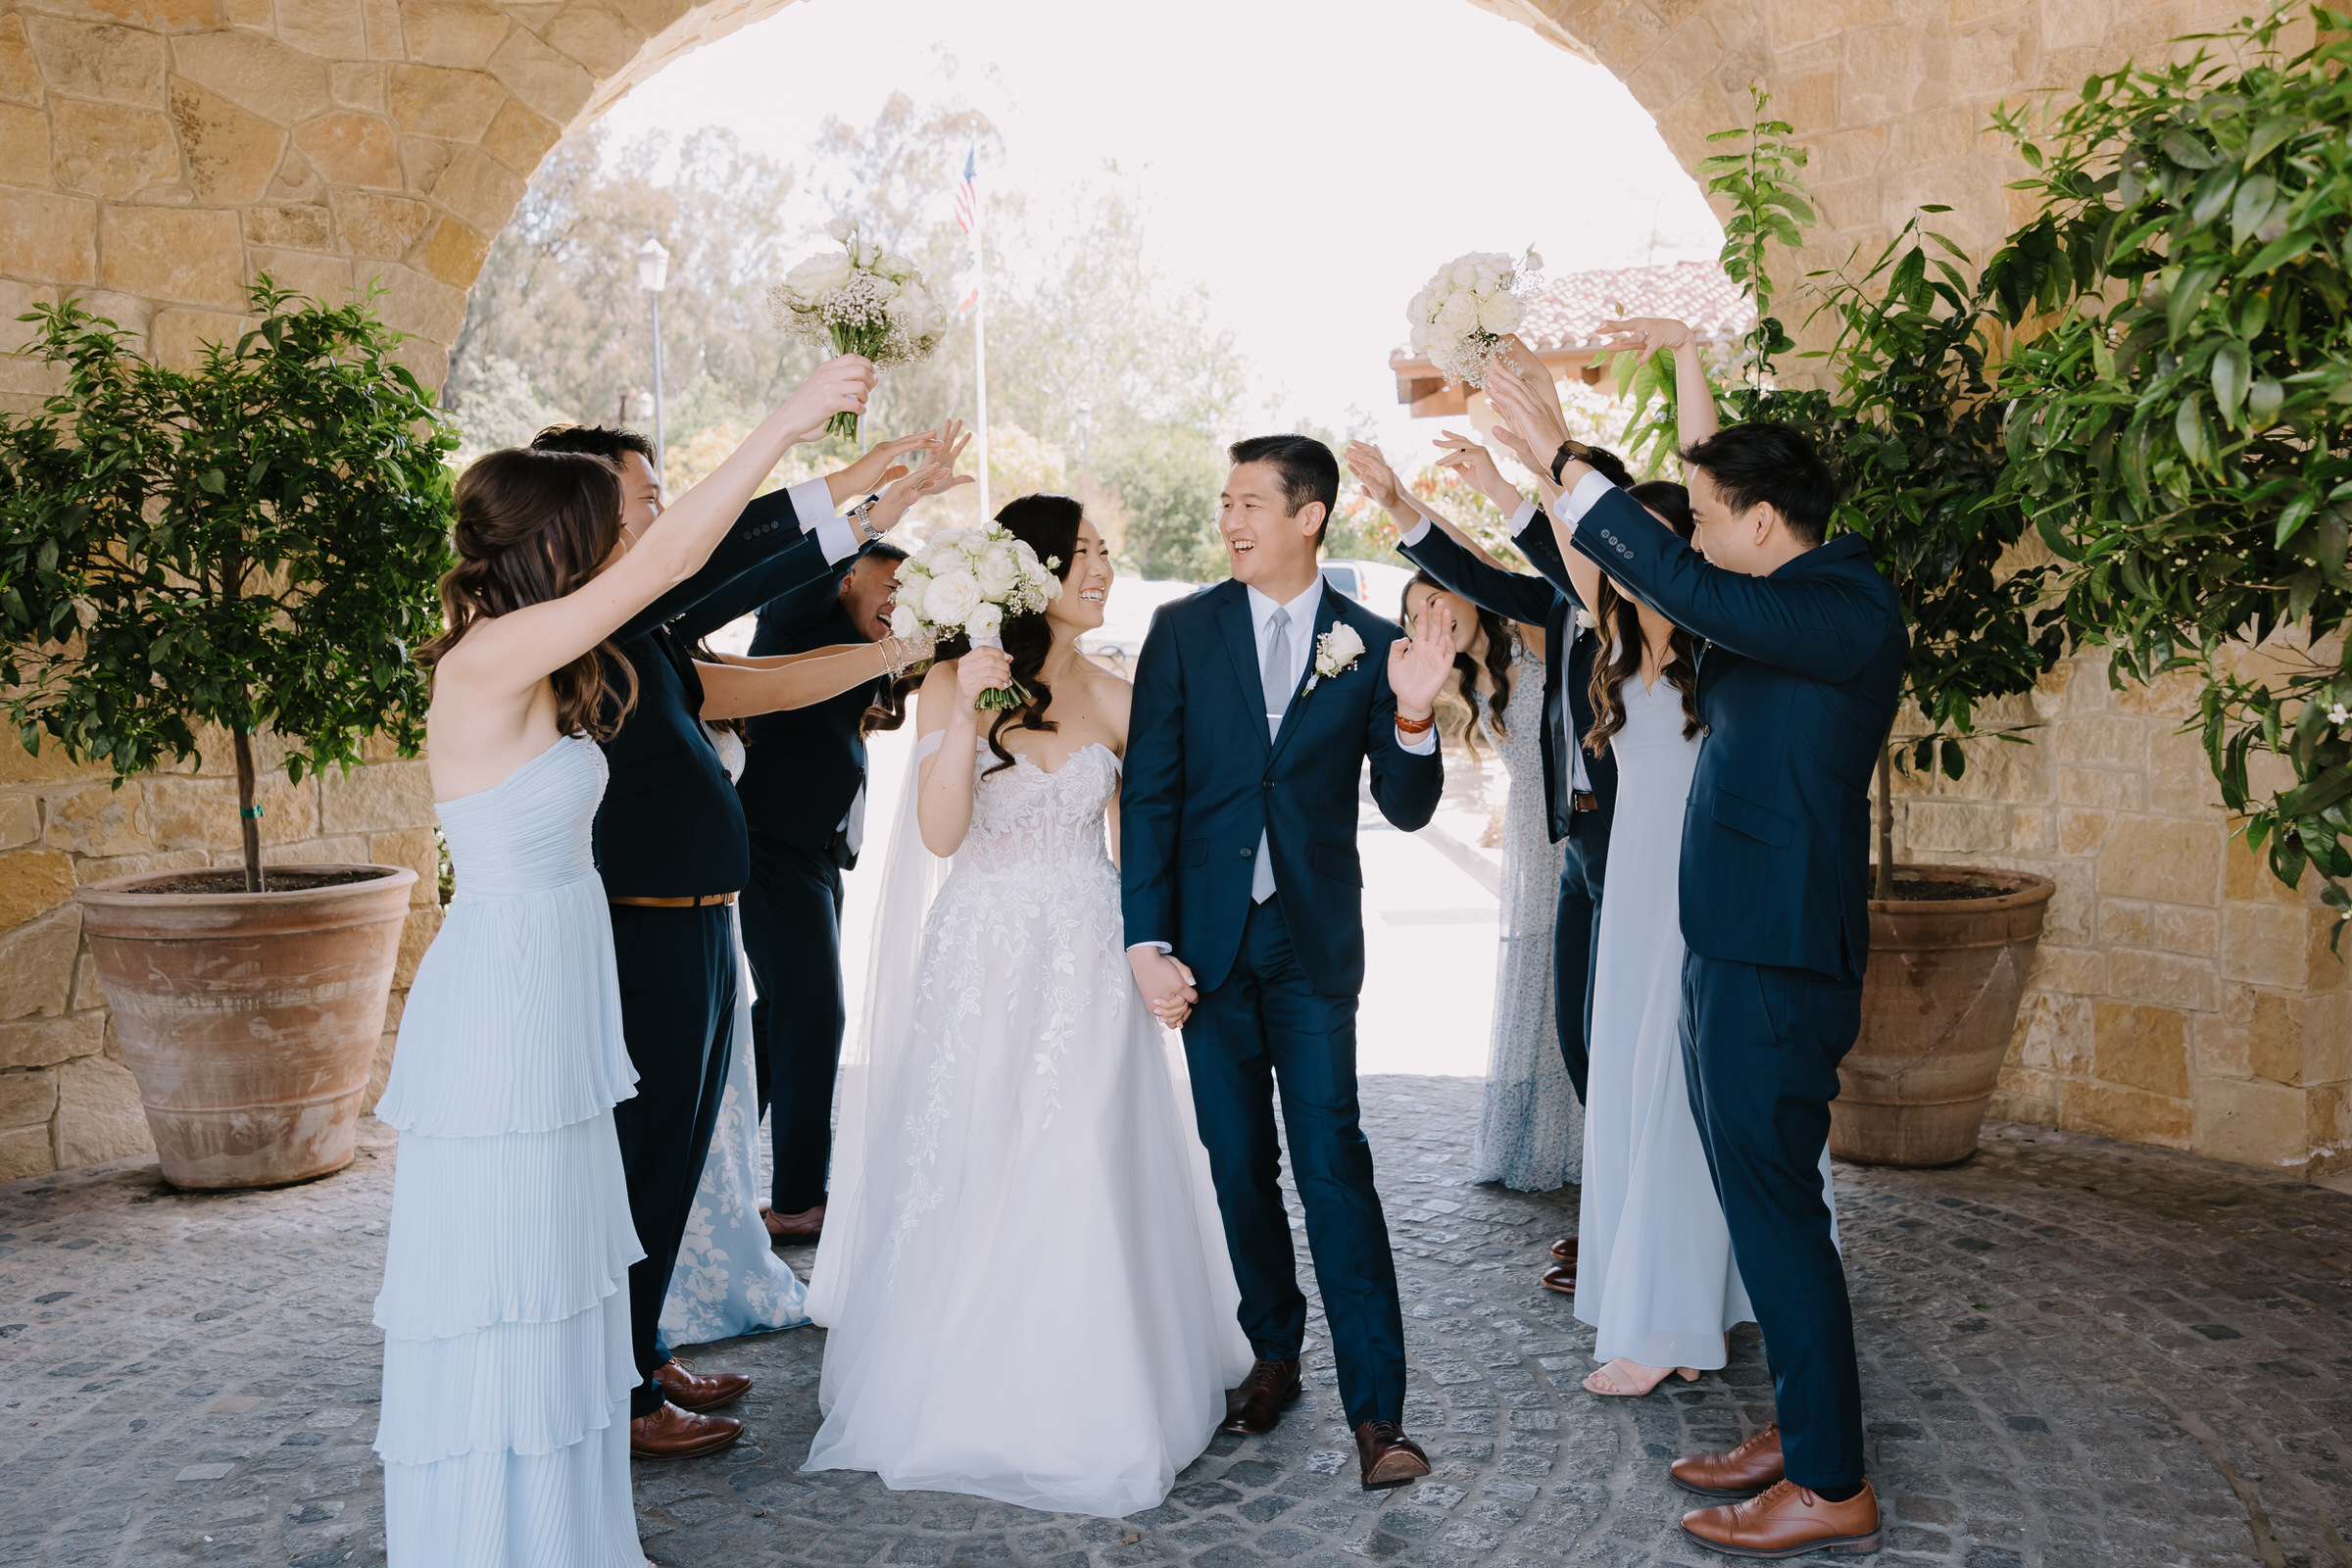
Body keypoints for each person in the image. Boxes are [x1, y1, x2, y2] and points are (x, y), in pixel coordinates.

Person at [370, 356, 871, 1567]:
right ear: (555, 544)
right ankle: (491, 1536)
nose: (624, 550)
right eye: (603, 528)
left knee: (563, 1268)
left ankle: (558, 1520)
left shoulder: (557, 662)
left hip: (561, 983)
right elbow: (670, 561)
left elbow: (680, 604)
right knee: (512, 1264)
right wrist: (785, 420)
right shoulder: (491, 659)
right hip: (505, 999)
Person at [1496, 354, 1903, 1557]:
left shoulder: (1842, 605)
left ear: (1763, 523)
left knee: (1776, 1213)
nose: (1699, 533)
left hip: (1776, 962)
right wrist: (1544, 481)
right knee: (1760, 1204)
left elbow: (1678, 576)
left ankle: (1832, 1483)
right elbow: (1655, 586)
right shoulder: (1778, 612)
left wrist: (1573, 459)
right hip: (1728, 944)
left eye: (1713, 513)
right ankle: (1803, 1424)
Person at [804, 495, 1252, 1517]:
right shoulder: (952, 685)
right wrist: (964, 711)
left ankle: (1090, 1389)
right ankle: (963, 1374)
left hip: (1089, 947)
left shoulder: (1117, 693)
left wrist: (1166, 945)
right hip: (983, 947)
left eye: (1103, 552)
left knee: (1081, 1147)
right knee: (978, 1146)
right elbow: (942, 831)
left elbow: (1169, 827)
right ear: (1028, 574)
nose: (1100, 568)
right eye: (1081, 554)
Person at [526, 415, 956, 1461]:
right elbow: (724, 562)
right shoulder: (589, 621)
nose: (665, 513)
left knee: (675, 1163)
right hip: (645, 937)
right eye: (646, 497)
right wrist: (850, 485)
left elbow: (773, 681)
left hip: (705, 932)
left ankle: (643, 1344)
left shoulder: (646, 632)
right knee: (642, 1159)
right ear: (584, 512)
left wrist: (900, 648)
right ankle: (620, 1392)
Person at [1123, 435, 1456, 1491]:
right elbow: (1152, 798)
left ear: (1309, 516)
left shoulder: (1367, 644)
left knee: (1334, 1167)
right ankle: (1274, 1351)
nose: (1230, 519)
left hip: (1310, 945)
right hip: (1209, 949)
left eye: (1250, 503)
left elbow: (1406, 810)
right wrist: (1143, 939)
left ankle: (1378, 1416)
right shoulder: (1181, 632)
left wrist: (1412, 710)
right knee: (1237, 1165)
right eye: (1226, 501)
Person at [1348, 429, 1620, 1294]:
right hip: (1576, 851)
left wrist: (1508, 482)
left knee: (1616, 1039)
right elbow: (1472, 575)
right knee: (1579, 1034)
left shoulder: (1621, 606)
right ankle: (1609, 1209)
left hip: (1625, 847)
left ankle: (1620, 1222)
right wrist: (1397, 503)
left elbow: (1501, 565)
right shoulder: (1546, 612)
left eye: (1570, 521)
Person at [733, 518, 924, 1244]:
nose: (899, 602)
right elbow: (814, 557)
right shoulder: (797, 612)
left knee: (779, 1013)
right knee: (815, 1014)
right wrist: (882, 504)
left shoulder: (872, 650)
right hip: (770, 846)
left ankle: (711, 1163)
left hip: (812, 852)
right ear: (846, 575)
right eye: (891, 585)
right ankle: (800, 1200)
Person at [1397, 567, 1577, 1193]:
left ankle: (1582, 1138)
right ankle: (1536, 1138)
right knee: (1538, 982)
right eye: (1419, 615)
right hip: (1531, 839)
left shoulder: (1528, 634)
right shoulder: (1469, 682)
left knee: (1573, 982)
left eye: (1441, 599)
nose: (1434, 620)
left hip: (1574, 830)